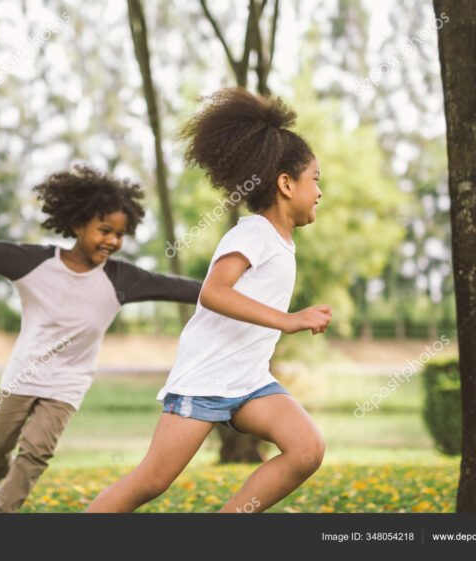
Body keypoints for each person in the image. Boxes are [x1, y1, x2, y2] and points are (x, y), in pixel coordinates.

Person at [0, 165, 201, 512]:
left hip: (68, 382)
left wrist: (228, 290)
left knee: (37, 450)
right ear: (78, 225)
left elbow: (176, 287)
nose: (112, 241)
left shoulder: (121, 279)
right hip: (24, 373)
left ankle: (1, 512)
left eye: (120, 234)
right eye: (105, 230)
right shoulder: (32, 262)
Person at [87, 88, 331, 513]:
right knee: (152, 480)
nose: (320, 191)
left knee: (307, 449)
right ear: (286, 184)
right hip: (206, 380)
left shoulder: (281, 241)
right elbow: (213, 292)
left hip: (250, 383)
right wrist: (288, 320)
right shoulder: (253, 233)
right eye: (316, 179)